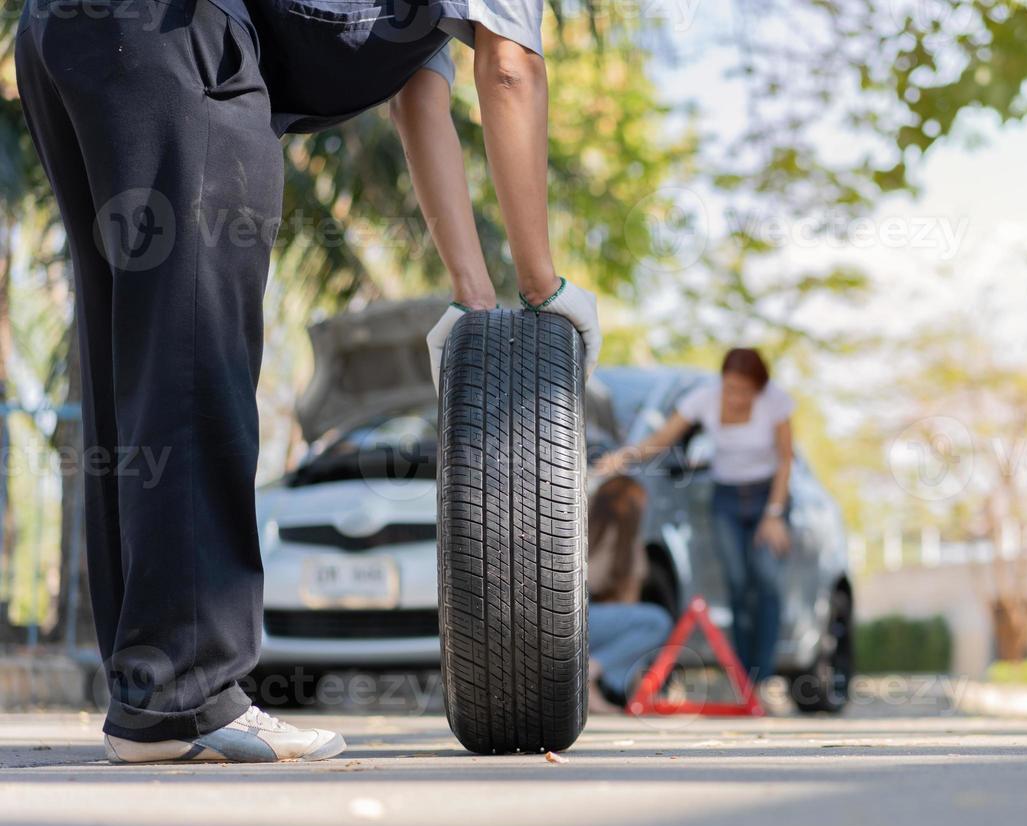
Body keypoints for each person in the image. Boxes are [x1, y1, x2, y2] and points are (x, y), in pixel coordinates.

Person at [15, 0, 598, 763]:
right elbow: (512, 71)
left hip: (69, 33)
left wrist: (476, 298)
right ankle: (183, 699)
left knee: (137, 355)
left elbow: (420, 100)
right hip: (180, 40)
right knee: (198, 353)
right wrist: (543, 285)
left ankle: (152, 694)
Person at [596, 349, 794, 684]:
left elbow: (786, 460)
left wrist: (774, 513)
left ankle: (764, 677)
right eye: (730, 389)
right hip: (726, 498)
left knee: (765, 581)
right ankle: (746, 680)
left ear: (758, 388)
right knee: (737, 584)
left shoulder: (775, 402)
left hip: (766, 496)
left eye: (744, 391)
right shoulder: (704, 399)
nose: (735, 398)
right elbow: (662, 439)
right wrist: (623, 458)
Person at [586, 477, 673, 712]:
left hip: (560, 621)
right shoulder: (628, 542)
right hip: (585, 621)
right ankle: (591, 671)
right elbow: (630, 607)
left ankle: (593, 682)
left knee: (637, 628)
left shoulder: (579, 531)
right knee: (656, 622)